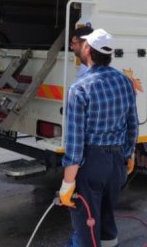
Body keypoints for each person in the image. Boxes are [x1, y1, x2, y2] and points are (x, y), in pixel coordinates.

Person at [59, 29, 139, 247]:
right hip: (117, 164)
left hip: (92, 164)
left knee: (87, 227)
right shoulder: (125, 81)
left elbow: (75, 145)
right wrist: (128, 155)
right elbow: (132, 124)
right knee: (106, 220)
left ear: (87, 49)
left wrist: (67, 184)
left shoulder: (79, 88)